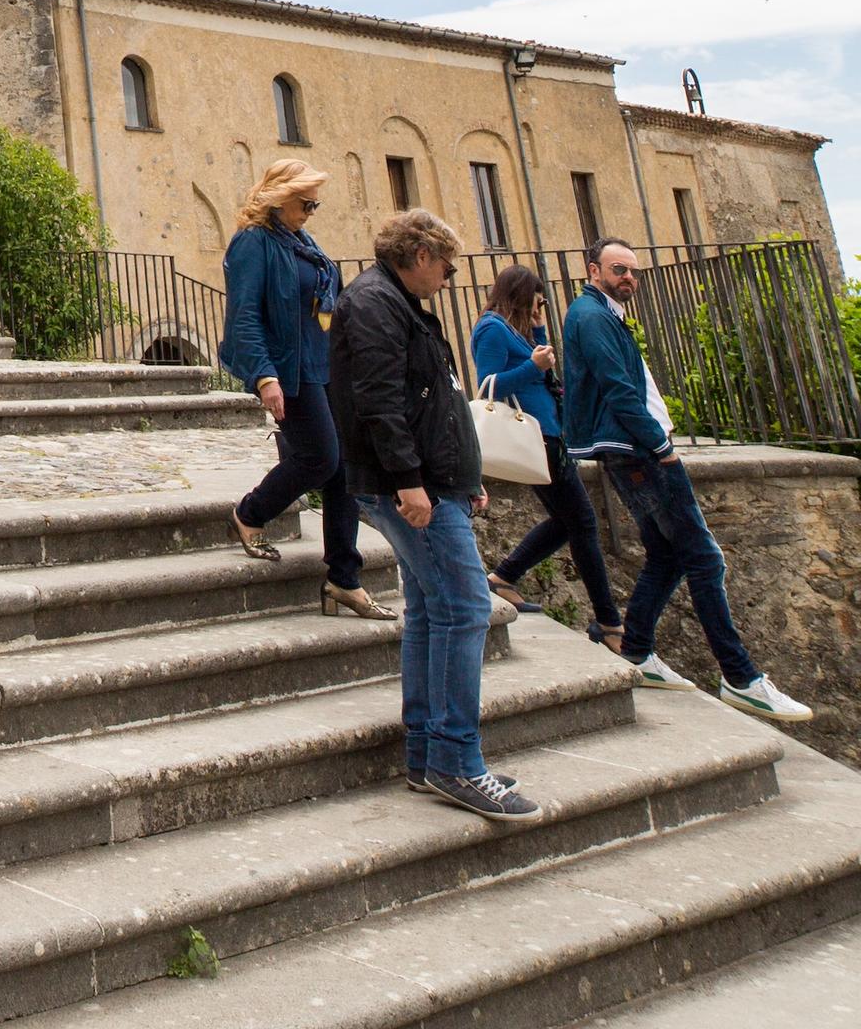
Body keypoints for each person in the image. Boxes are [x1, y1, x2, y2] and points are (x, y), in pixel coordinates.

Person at [556, 238, 814, 723]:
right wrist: (660, 444)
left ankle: (635, 648)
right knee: (704, 556)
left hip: (630, 447)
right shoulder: (591, 317)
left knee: (668, 553)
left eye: (633, 270)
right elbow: (618, 387)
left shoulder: (603, 314)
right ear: (594, 270)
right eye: (618, 269)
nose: (628, 277)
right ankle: (740, 677)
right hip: (637, 450)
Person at [335, 207, 538, 820]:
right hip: (406, 484)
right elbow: (379, 402)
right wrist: (410, 483)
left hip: (430, 480)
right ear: (419, 254)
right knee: (467, 605)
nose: (451, 277)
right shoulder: (375, 304)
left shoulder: (398, 304)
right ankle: (456, 760)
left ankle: (429, 754)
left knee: (430, 608)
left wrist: (462, 477)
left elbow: (437, 398)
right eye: (447, 266)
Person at [217, 156, 387, 619]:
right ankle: (250, 513)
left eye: (315, 205)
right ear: (281, 197)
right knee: (320, 457)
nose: (312, 211)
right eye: (306, 203)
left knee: (344, 471)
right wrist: (264, 376)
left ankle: (343, 578)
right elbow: (245, 314)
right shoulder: (253, 243)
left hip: (324, 364)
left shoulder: (301, 242)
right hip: (289, 369)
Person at [470, 264, 623, 652]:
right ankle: (609, 623)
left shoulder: (516, 330)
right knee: (582, 523)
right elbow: (489, 385)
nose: (540, 307)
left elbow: (539, 371)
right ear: (521, 294)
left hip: (550, 439)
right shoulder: (491, 328)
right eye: (537, 301)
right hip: (538, 441)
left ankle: (505, 577)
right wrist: (532, 366)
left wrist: (537, 333)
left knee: (568, 521)